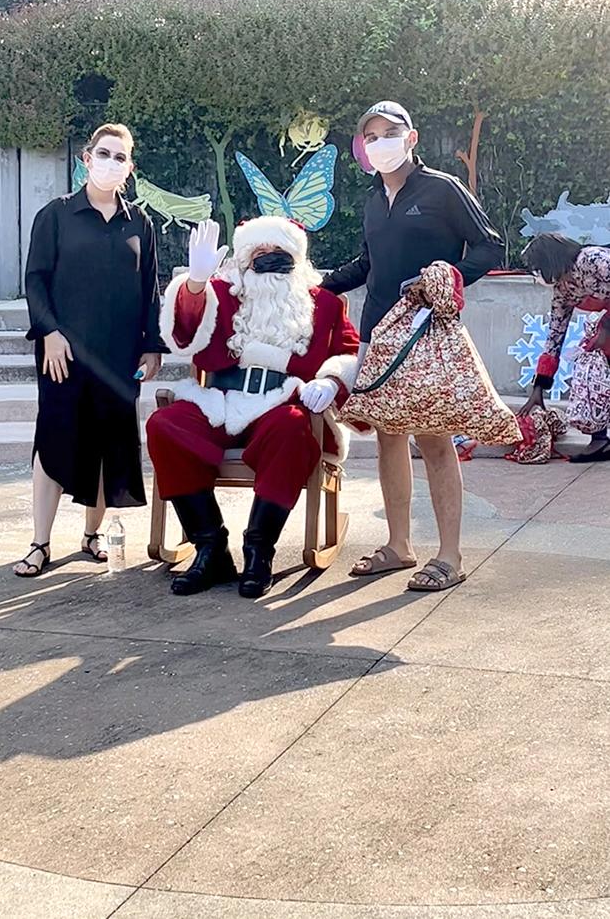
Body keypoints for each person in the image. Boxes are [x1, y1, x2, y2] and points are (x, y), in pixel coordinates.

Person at [322, 100, 504, 591]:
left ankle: (449, 556)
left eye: (389, 132)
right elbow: (367, 263)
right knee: (388, 437)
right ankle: (399, 546)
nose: (379, 142)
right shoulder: (373, 198)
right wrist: (317, 285)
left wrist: (446, 275)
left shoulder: (443, 189)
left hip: (428, 334)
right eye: (371, 135)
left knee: (434, 438)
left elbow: (491, 246)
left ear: (411, 137)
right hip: (380, 333)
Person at [147, 216, 359, 599]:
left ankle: (259, 549)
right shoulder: (223, 293)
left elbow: (348, 353)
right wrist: (194, 283)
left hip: (282, 402)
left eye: (277, 253)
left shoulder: (323, 303)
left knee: (293, 429)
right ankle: (210, 547)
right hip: (222, 400)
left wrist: (330, 380)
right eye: (258, 253)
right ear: (243, 259)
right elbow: (186, 330)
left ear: (296, 258)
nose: (268, 260)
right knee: (166, 424)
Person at [14, 123, 164, 577]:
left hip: (120, 357)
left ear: (130, 168)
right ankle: (40, 543)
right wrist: (49, 332)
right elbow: (36, 278)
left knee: (107, 445)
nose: (112, 163)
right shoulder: (55, 215)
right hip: (62, 353)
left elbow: (149, 288)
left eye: (121, 157)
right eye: (105, 153)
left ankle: (91, 535)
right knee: (54, 441)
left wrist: (152, 346)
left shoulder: (140, 222)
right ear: (87, 158)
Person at [521, 233, 610, 461]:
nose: (536, 274)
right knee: (590, 370)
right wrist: (539, 388)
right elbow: (555, 336)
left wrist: (606, 329)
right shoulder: (563, 290)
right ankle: (599, 439)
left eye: (536, 267)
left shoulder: (592, 259)